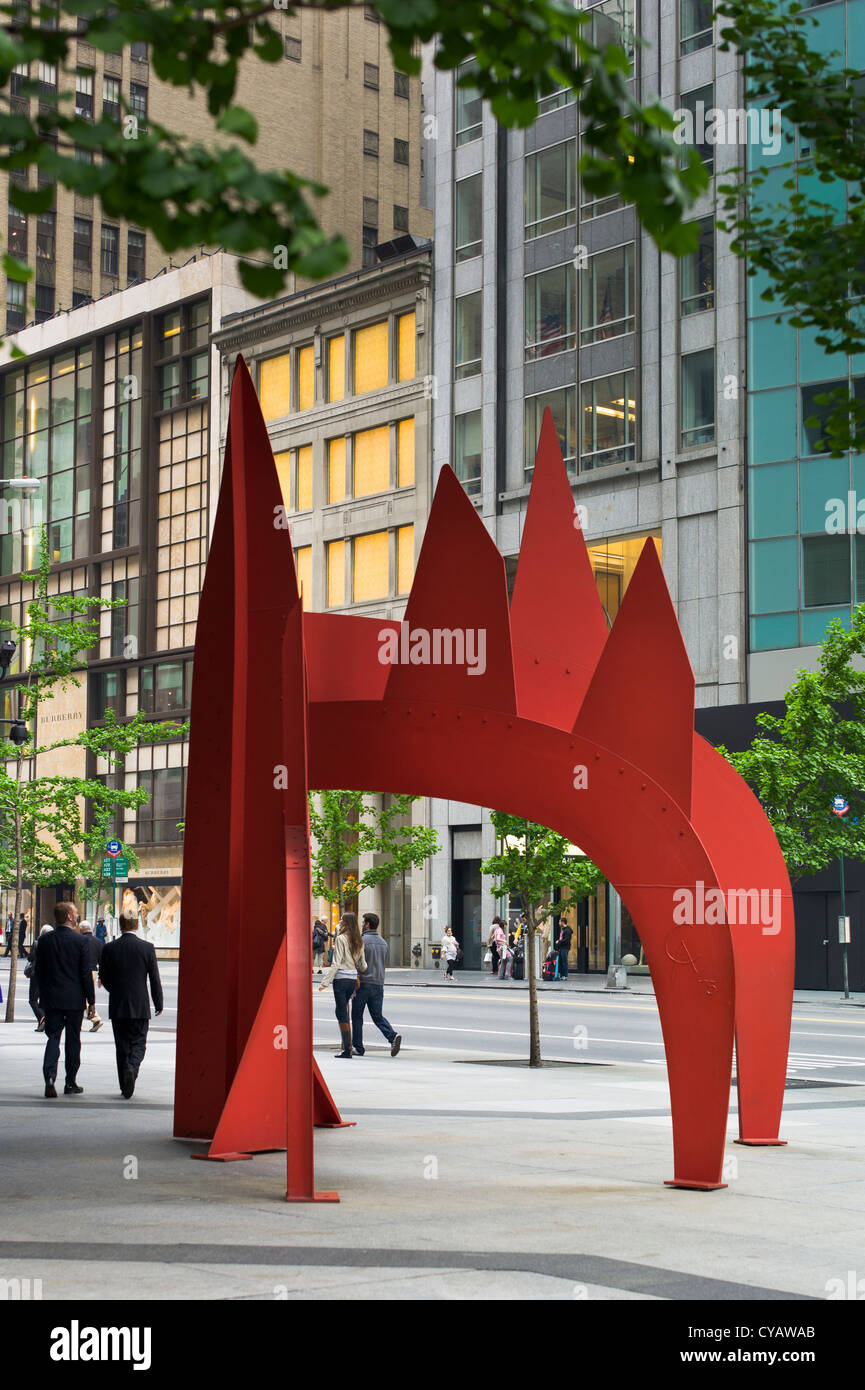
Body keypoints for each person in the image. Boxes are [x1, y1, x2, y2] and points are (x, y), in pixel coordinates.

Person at [98, 911, 164, 1099]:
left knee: (121, 1045)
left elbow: (104, 976)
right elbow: (154, 979)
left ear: (120, 925)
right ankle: (132, 1069)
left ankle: (124, 1083)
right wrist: (158, 1002)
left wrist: (115, 991)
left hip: (118, 1004)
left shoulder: (109, 948)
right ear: (136, 925)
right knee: (139, 1042)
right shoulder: (147, 948)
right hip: (140, 1004)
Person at [33, 901, 93, 1097]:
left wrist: (42, 995)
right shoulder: (81, 941)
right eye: (75, 913)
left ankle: (49, 1078)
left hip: (52, 999)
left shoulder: (45, 941)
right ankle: (70, 1082)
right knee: (73, 1040)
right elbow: (85, 974)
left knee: (53, 1037)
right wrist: (90, 1001)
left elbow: (39, 972)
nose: (77, 916)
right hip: (74, 999)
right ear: (68, 916)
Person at [351, 912, 401, 1056]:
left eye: (363, 922)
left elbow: (357, 962)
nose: (362, 925)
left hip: (363, 983)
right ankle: (392, 1036)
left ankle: (358, 1047)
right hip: (379, 984)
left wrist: (355, 979)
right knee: (377, 1015)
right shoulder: (383, 942)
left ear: (367, 924)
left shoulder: (361, 941)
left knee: (357, 1015)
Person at [317, 911, 366, 1058]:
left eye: (342, 920)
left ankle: (347, 1049)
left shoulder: (341, 939)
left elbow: (336, 963)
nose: (340, 922)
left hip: (341, 979)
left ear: (345, 923)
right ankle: (347, 1047)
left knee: (341, 1012)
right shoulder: (359, 940)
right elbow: (363, 965)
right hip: (352, 979)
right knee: (344, 1009)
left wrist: (325, 982)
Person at [25, 924, 53, 1031]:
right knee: (44, 999)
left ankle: (42, 1017)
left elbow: (31, 957)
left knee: (33, 999)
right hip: (49, 974)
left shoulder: (37, 943)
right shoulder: (54, 944)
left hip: (37, 973)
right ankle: (42, 1022)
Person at [78, 922, 104, 1031]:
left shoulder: (79, 941)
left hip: (82, 971)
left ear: (81, 930)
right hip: (94, 971)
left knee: (82, 997)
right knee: (85, 995)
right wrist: (101, 976)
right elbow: (102, 961)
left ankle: (96, 1019)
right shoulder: (98, 942)